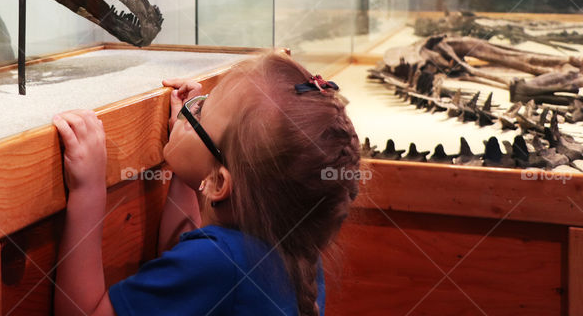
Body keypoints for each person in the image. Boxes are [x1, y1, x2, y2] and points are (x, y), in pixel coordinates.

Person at [51, 49, 361, 316]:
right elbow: (183, 274)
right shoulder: (296, 253)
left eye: (201, 112)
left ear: (218, 183)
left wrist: (88, 189)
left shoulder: (219, 263)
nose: (190, 111)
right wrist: (190, 162)